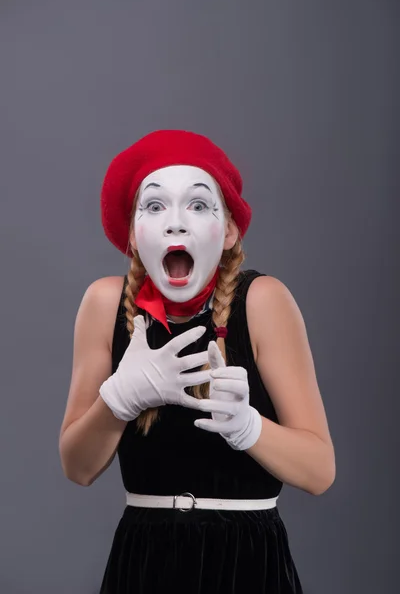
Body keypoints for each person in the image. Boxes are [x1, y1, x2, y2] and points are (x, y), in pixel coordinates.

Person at [59, 129, 335, 594]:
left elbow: (320, 471)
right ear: (132, 233)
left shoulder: (263, 301)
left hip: (248, 563)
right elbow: (78, 467)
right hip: (143, 562)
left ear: (228, 231)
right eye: (155, 206)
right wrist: (120, 399)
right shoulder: (104, 303)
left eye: (199, 205)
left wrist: (249, 428)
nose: (176, 224)